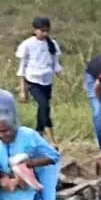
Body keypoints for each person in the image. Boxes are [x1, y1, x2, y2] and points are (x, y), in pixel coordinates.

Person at [15, 16, 66, 147]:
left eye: (47, 31)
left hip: (47, 80)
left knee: (42, 109)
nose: (45, 34)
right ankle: (51, 139)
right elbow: (22, 68)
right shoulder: (27, 44)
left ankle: (38, 133)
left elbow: (56, 65)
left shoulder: (52, 44)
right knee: (44, 106)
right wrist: (23, 89)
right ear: (34, 30)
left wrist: (64, 80)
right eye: (42, 31)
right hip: (33, 80)